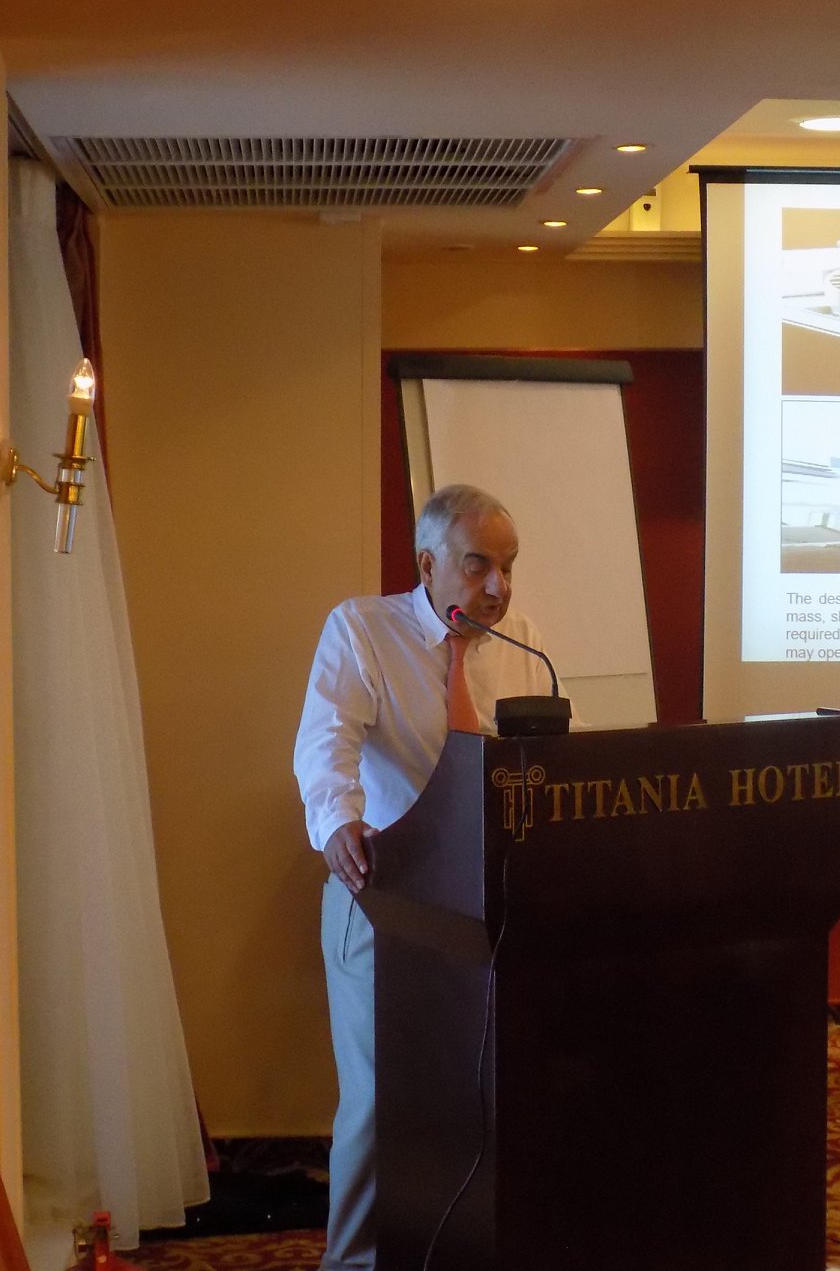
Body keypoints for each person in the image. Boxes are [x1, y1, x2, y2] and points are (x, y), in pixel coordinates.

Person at [293, 483, 555, 1271]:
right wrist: (339, 822)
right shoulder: (362, 629)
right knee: (380, 1099)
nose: (498, 586)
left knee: (488, 1092)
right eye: (478, 565)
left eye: (508, 566)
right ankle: (353, 1263)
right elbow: (326, 741)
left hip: (487, 908)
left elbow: (547, 757)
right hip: (384, 894)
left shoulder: (524, 644)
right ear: (428, 563)